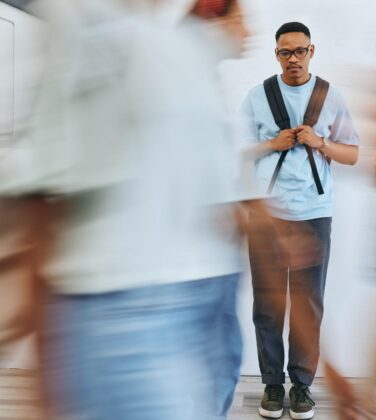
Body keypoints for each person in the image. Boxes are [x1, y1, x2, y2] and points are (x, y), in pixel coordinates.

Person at [0, 0, 256, 418]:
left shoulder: (178, 44)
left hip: (193, 298)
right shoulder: (83, 19)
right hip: (123, 308)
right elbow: (44, 197)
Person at [241, 21, 360, 420]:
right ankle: (273, 386)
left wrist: (320, 142)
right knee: (268, 305)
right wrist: (271, 144)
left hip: (314, 215)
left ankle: (303, 388)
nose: (293, 58)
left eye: (300, 51)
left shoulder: (331, 96)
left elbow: (353, 154)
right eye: (284, 52)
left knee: (308, 306)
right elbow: (236, 153)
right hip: (268, 216)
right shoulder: (257, 96)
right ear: (275, 55)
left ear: (312, 51)